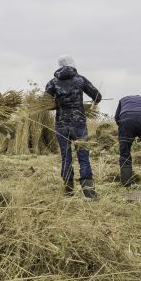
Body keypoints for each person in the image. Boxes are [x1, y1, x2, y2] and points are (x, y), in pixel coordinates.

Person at [44, 55, 102, 200]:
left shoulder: (53, 82)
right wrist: (84, 104)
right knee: (83, 156)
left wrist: (58, 104)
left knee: (65, 156)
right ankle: (89, 193)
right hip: (79, 123)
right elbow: (98, 96)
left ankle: (68, 190)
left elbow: (45, 103)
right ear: (72, 64)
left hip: (61, 124)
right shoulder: (80, 79)